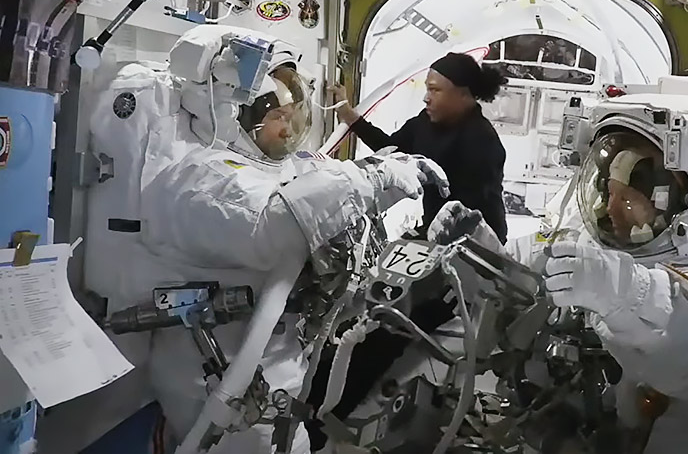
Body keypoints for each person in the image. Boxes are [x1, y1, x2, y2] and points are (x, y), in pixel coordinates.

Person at [81, 25, 449, 454]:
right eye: (277, 115)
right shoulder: (199, 179)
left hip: (273, 371)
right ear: (236, 114)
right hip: (218, 390)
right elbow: (273, 222)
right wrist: (373, 178)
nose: (289, 126)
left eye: (294, 112)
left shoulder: (279, 170)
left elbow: (318, 196)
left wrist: (390, 188)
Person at [434, 93, 688, 454]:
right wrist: (480, 253)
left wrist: (625, 293)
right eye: (609, 194)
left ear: (687, 202)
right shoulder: (603, 234)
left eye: (628, 201)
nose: (611, 212)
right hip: (600, 406)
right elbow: (534, 268)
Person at [329, 52, 509, 243]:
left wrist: (421, 238)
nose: (426, 98)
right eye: (427, 89)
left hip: (477, 240)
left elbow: (469, 213)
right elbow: (390, 148)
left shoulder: (483, 141)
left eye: (434, 90)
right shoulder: (426, 122)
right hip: (438, 227)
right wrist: (348, 114)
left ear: (463, 94)